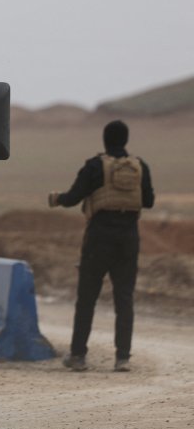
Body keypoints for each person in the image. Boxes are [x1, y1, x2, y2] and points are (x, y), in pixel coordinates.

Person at [48, 120, 155, 373]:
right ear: (125, 140)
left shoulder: (95, 166)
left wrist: (57, 198)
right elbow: (148, 201)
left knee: (87, 298)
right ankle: (123, 358)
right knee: (124, 298)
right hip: (129, 238)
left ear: (105, 140)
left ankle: (78, 356)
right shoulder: (140, 167)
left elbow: (74, 197)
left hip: (99, 238)